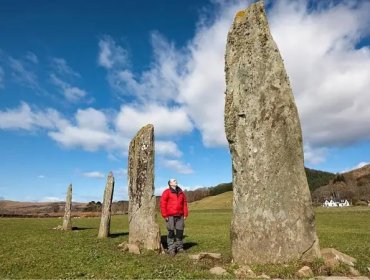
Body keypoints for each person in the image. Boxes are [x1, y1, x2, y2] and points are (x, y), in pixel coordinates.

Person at [160, 178, 188, 256]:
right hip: (170, 215)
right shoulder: (166, 192)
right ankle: (171, 249)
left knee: (180, 232)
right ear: (170, 183)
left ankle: (180, 248)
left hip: (180, 215)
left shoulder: (181, 192)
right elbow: (163, 204)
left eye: (176, 180)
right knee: (171, 232)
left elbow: (184, 203)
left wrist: (185, 214)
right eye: (174, 180)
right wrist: (165, 215)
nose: (176, 181)